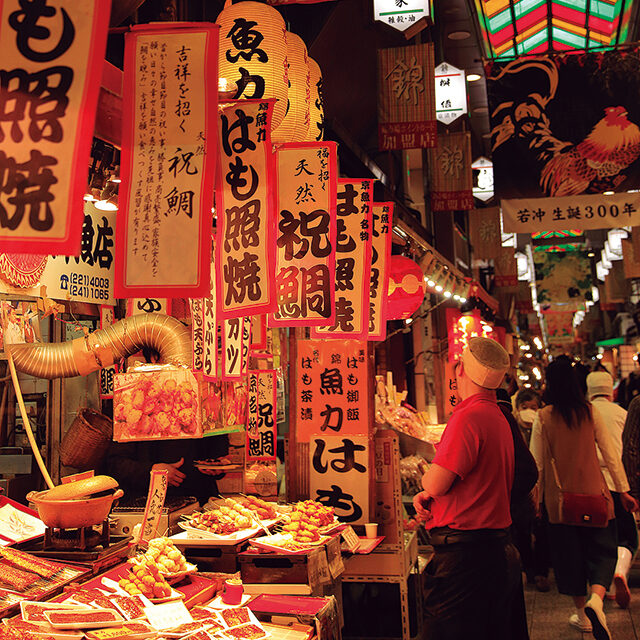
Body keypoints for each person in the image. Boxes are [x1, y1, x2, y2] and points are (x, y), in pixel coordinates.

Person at [413, 337, 521, 640]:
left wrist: (428, 486)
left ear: (460, 370)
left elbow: (435, 481)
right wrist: (433, 496)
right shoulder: (497, 417)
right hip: (493, 551)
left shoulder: (468, 417)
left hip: (465, 560)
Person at [530, 360, 637, 640]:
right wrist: (623, 491)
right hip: (595, 497)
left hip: (560, 504)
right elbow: (612, 455)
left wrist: (536, 500)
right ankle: (597, 600)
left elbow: (536, 464)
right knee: (603, 552)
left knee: (569, 558)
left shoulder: (543, 417)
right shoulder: (589, 413)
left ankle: (582, 615)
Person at [587, 371, 638, 608]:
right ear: (609, 389)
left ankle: (603, 586)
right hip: (618, 484)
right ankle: (620, 570)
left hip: (589, 485)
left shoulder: (584, 413)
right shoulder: (622, 412)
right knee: (627, 535)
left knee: (599, 537)